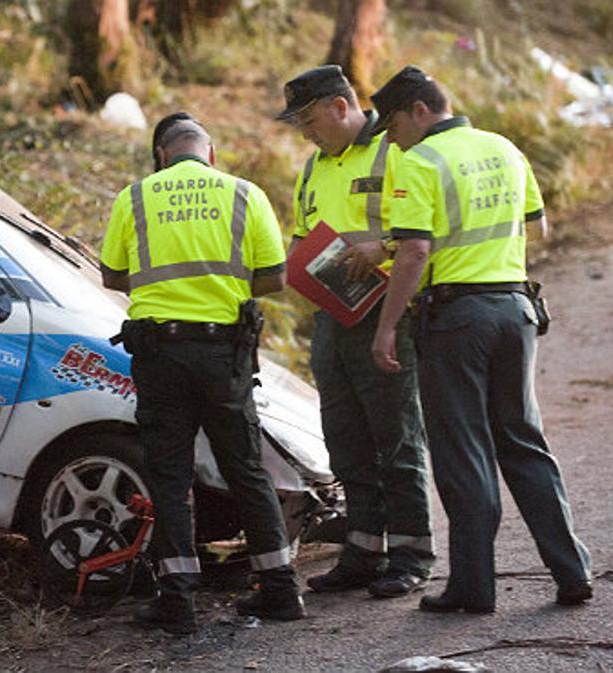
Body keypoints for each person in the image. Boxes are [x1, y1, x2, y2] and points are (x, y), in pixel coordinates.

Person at [368, 65, 592, 613]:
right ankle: (572, 570)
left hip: (457, 320)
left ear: (419, 111)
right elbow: (536, 224)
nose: (392, 139)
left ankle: (473, 587)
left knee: (463, 451)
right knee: (522, 440)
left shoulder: (421, 161)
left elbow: (416, 252)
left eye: (394, 126)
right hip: (515, 309)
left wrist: (388, 325)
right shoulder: (505, 148)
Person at [100, 112, 306, 635]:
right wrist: (220, 288)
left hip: (161, 354)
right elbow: (275, 277)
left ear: (162, 156)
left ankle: (178, 601)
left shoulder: (136, 197)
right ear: (210, 154)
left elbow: (111, 274)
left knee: (170, 476)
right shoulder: (244, 194)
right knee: (246, 469)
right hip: (224, 355)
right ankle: (280, 589)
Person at [275, 65, 434, 599]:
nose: (304, 131)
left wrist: (384, 247)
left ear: (339, 106)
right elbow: (303, 237)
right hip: (332, 318)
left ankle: (412, 553)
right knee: (345, 439)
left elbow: (426, 230)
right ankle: (364, 552)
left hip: (387, 315)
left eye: (308, 119)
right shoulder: (312, 168)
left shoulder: (395, 151)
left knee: (396, 437)